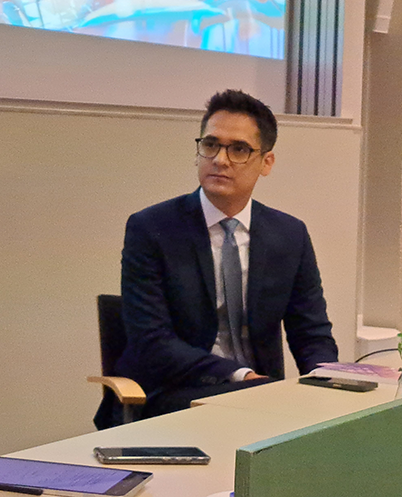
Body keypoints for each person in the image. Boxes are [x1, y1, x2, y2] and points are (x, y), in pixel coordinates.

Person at [101, 89, 338, 426]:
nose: (220, 159)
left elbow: (311, 331)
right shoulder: (152, 228)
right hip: (175, 394)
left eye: (239, 149)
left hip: (262, 396)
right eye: (211, 145)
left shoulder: (289, 234)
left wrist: (325, 382)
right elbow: (152, 342)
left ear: (266, 162)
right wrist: (240, 376)